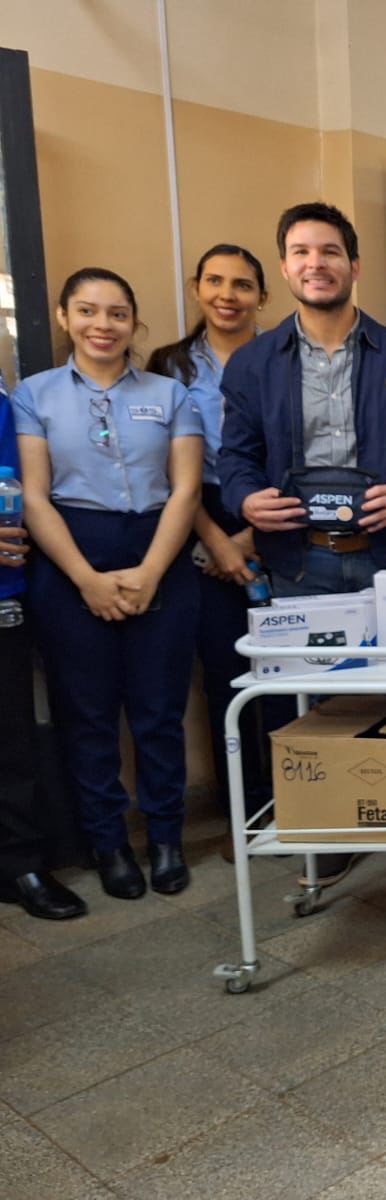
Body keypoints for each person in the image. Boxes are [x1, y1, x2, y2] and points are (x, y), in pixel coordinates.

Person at [219, 202, 386, 885]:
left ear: (354, 266)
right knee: (311, 705)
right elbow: (234, 455)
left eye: (329, 252)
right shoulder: (254, 365)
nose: (315, 263)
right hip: (299, 560)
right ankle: (327, 826)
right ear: (285, 267)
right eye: (300, 252)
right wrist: (244, 498)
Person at [12, 268, 203, 899]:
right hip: (71, 552)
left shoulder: (169, 394)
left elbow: (185, 490)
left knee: (158, 709)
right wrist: (86, 580)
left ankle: (166, 836)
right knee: (87, 713)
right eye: (88, 311)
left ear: (133, 322)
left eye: (117, 313)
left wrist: (150, 572)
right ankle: (109, 842)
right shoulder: (32, 395)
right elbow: (35, 499)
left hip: (160, 549)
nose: (103, 325)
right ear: (64, 317)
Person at [148, 244, 289, 858]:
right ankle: (244, 809)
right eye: (215, 282)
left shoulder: (286, 356)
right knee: (226, 677)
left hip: (283, 514)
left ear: (264, 294)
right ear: (197, 288)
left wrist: (253, 535)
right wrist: (216, 541)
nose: (227, 295)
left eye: (242, 284)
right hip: (198, 518)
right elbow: (166, 469)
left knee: (290, 672)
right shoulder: (168, 367)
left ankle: (300, 803)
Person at [0, 381, 86, 919]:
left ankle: (20, 864)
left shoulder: (5, 404)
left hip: (3, 593)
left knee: (12, 740)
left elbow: (20, 488)